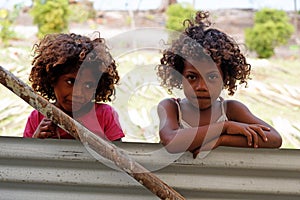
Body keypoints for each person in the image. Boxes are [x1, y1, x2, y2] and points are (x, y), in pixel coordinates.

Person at [156, 11, 282, 158]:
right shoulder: (171, 108)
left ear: (225, 78)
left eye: (212, 77)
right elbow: (172, 141)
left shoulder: (231, 110)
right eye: (191, 77)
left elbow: (274, 139)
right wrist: (224, 127)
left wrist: (222, 139)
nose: (201, 86)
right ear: (179, 76)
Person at [23, 32, 125, 141]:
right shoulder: (38, 117)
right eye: (70, 82)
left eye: (88, 85)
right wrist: (36, 139)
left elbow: (116, 154)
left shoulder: (105, 115)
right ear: (52, 79)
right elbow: (25, 155)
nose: (78, 93)